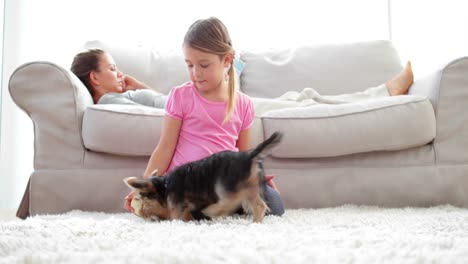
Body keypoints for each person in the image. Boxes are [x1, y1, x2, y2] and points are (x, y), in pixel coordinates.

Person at [124, 17, 286, 217]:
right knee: (190, 202)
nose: (195, 73)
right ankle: (213, 210)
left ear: (226, 60)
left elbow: (243, 154)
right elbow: (165, 147)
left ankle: (222, 207)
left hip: (225, 183)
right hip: (189, 187)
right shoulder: (181, 96)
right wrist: (145, 187)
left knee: (275, 205)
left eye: (203, 65)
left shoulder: (243, 104)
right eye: (189, 65)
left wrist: (257, 178)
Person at [70, 49, 167, 108]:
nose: (121, 74)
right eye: (112, 69)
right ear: (95, 78)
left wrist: (138, 86)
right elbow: (151, 118)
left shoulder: (114, 99)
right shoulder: (107, 101)